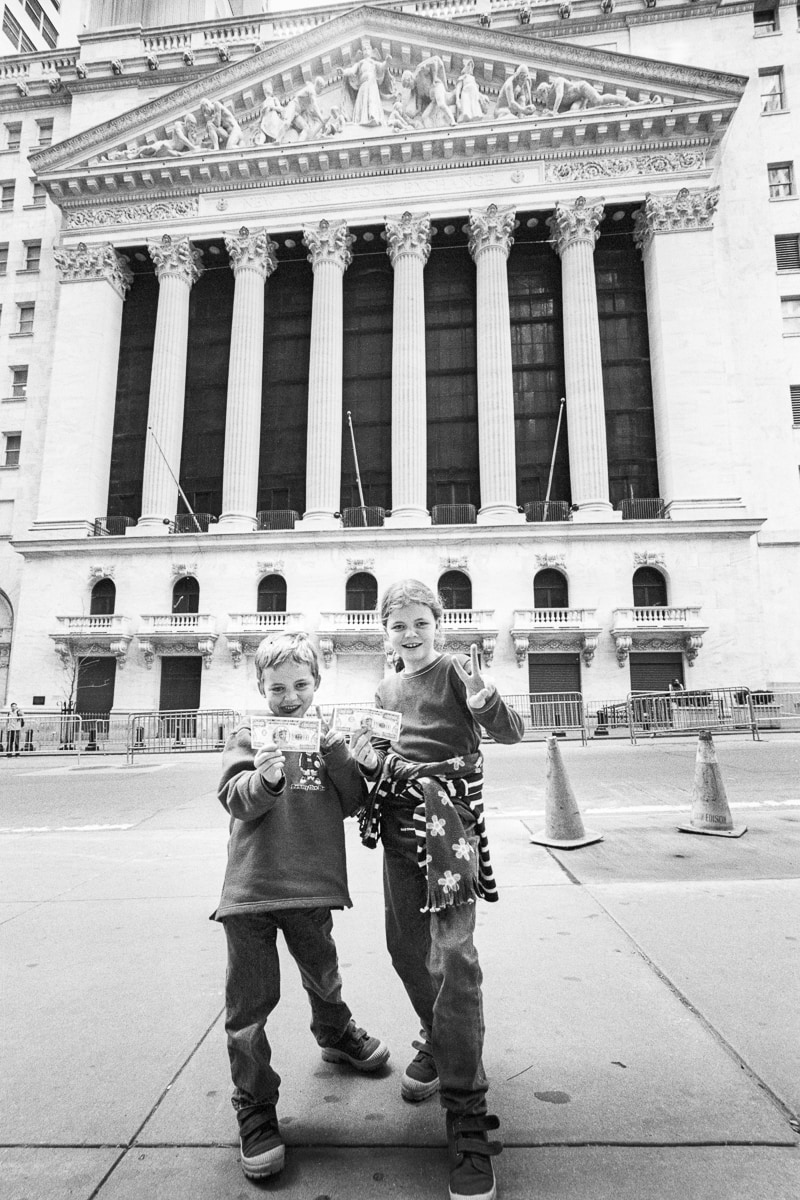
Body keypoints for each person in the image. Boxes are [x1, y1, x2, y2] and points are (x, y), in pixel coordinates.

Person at [351, 580, 524, 1200]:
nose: (410, 634)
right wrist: (369, 759)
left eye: (420, 622)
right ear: (386, 631)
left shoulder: (455, 673)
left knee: (452, 958)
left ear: (438, 624)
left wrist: (485, 698)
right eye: (398, 625)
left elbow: (510, 734)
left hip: (449, 830)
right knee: (404, 951)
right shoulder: (385, 689)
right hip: (399, 825)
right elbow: (384, 756)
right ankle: (439, 1036)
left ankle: (467, 1110)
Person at [213, 632, 389, 1181]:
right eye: (277, 687)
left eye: (301, 685)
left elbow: (354, 799)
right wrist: (264, 779)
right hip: (251, 893)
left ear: (317, 683)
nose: (290, 697)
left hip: (310, 887)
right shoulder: (249, 735)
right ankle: (255, 1106)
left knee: (323, 973)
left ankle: (335, 1034)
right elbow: (233, 798)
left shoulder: (326, 736)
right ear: (259, 686)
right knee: (249, 1007)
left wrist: (337, 748)